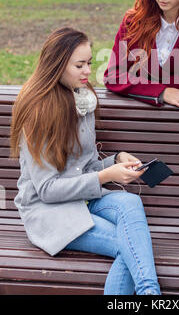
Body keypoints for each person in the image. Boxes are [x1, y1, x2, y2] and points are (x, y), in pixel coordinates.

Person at [10, 27, 161, 296]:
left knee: (130, 202)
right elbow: (47, 190)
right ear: (57, 66)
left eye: (89, 63)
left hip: (82, 201)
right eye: (79, 65)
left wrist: (116, 162)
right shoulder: (39, 112)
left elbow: (86, 169)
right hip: (50, 212)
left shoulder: (82, 101)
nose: (87, 71)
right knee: (129, 246)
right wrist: (106, 176)